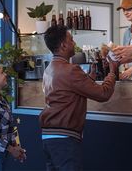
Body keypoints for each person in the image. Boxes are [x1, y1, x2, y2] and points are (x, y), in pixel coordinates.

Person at [39, 25, 118, 171]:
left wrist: (89, 79)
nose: (74, 43)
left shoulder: (49, 69)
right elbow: (103, 94)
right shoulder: (70, 70)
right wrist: (112, 72)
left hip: (48, 137)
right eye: (71, 40)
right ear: (63, 45)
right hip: (64, 139)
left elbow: (67, 92)